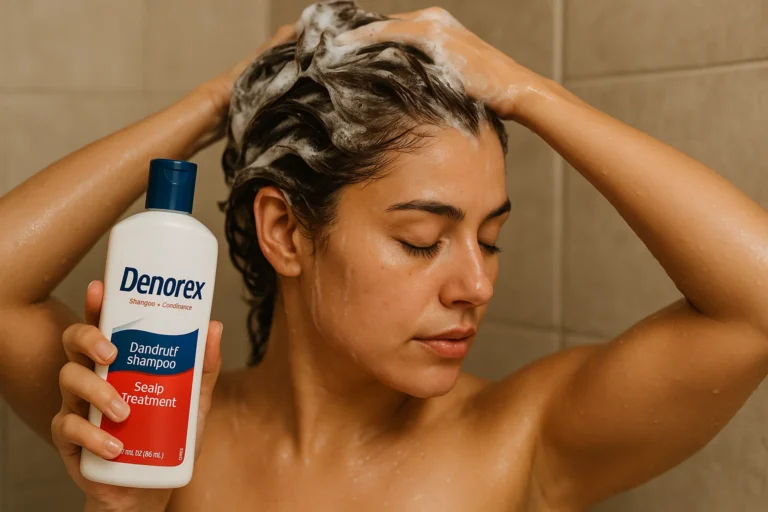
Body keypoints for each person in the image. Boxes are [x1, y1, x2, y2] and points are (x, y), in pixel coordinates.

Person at [1, 2, 767, 510]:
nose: (476, 284)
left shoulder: (518, 439)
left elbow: (756, 306)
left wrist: (530, 93)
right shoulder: (153, 433)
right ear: (286, 233)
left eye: (490, 239)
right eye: (421, 240)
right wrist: (222, 100)